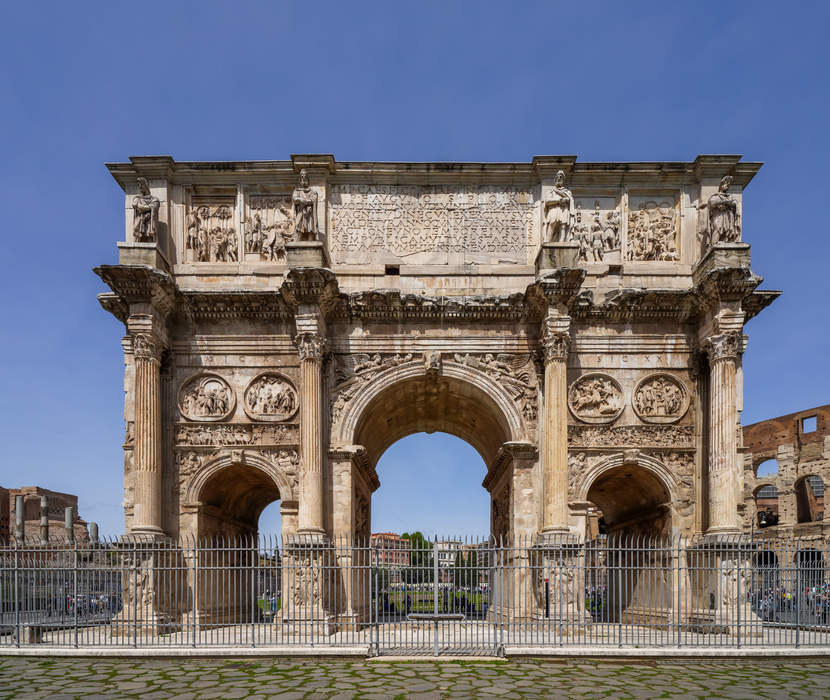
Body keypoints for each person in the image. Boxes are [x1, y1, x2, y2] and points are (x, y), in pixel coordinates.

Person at [542, 170, 574, 242]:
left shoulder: (567, 192)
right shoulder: (551, 191)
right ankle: (547, 242)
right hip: (553, 209)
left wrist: (566, 200)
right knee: (551, 225)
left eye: (561, 177)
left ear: (563, 180)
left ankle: (561, 244)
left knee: (563, 227)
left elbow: (570, 201)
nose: (559, 179)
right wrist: (558, 200)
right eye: (557, 177)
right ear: (555, 180)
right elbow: (547, 201)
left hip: (564, 210)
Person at [292, 169, 319, 240]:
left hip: (309, 212)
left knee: (310, 227)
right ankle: (298, 241)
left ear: (308, 180)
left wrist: (307, 201)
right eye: (302, 178)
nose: (303, 180)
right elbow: (294, 199)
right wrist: (300, 199)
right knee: (298, 225)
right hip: (301, 211)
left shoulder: (312, 191)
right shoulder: (297, 191)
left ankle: (311, 241)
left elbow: (314, 199)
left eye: (305, 178)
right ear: (300, 180)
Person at [132, 177, 159, 242]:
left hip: (148, 220)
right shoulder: (137, 198)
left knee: (148, 235)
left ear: (146, 186)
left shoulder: (154, 199)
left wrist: (146, 208)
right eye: (139, 186)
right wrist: (148, 207)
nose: (140, 187)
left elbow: (155, 206)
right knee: (136, 228)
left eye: (141, 185)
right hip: (140, 220)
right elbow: (136, 205)